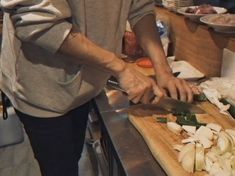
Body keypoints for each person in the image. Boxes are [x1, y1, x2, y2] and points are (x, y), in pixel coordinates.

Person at [0, 0, 197, 176]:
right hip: (42, 86)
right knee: (60, 169)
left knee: (72, 157)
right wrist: (120, 68)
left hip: (88, 82)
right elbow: (40, 22)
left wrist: (163, 70)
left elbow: (140, 8)